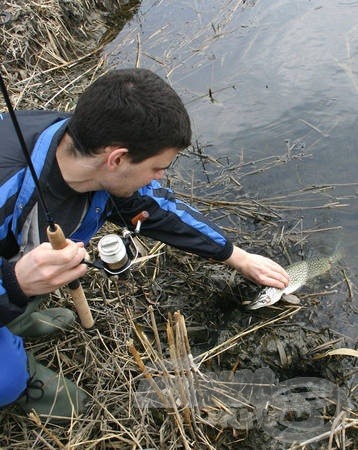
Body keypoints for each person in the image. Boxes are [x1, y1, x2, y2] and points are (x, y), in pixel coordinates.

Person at [0, 68, 289, 422]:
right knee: (6, 378)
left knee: (31, 281)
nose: (160, 177)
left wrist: (236, 256)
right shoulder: (7, 185)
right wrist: (15, 283)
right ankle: (20, 374)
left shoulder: (89, 154)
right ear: (118, 158)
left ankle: (17, 317)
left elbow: (156, 209)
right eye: (157, 167)